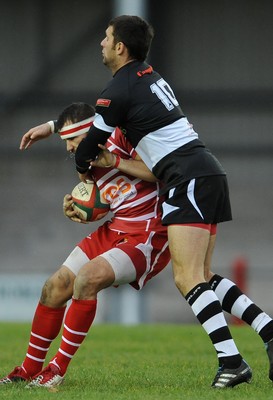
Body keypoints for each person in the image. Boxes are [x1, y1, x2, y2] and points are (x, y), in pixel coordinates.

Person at [68, 15, 273, 388]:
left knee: (186, 278)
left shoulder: (119, 88)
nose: (101, 42)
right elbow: (106, 123)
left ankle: (232, 362)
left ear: (120, 47)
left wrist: (82, 169)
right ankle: (269, 332)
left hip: (186, 178)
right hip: (206, 171)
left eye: (106, 36)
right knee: (204, 276)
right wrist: (58, 128)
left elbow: (88, 142)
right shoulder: (148, 76)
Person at [0, 102, 171, 387]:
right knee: (54, 287)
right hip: (114, 228)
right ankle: (27, 369)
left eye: (71, 140)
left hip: (147, 232)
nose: (68, 148)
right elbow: (99, 198)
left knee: (88, 278)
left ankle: (56, 371)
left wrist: (113, 161)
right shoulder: (83, 159)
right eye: (65, 142)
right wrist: (78, 208)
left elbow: (159, 170)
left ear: (88, 133)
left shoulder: (124, 136)